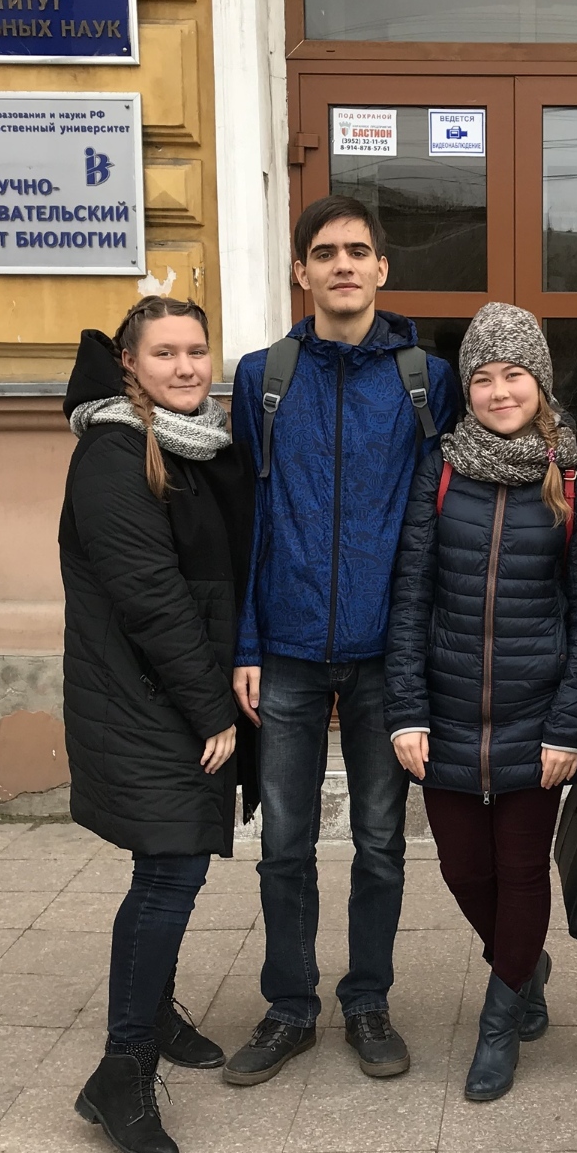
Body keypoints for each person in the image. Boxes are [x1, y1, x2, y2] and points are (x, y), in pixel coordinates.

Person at [223, 196, 461, 1085]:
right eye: (325, 253)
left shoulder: (425, 379)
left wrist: (422, 648)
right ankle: (290, 1007)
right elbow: (249, 518)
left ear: (383, 268)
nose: (343, 265)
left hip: (383, 653)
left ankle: (367, 1001)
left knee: (380, 841)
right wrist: (247, 643)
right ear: (302, 272)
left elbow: (436, 519)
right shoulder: (264, 377)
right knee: (283, 842)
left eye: (359, 251)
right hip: (285, 648)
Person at [385, 303, 577, 1102]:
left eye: (514, 374)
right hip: (443, 715)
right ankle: (523, 964)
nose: (499, 390)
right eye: (483, 377)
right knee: (462, 869)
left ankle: (499, 1016)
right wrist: (406, 710)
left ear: (539, 383)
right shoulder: (440, 471)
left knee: (519, 872)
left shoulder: (575, 481)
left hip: (535, 719)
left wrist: (568, 727)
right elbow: (409, 597)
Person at [60, 295, 259, 1153]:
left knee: (172, 866)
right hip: (145, 697)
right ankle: (122, 1070)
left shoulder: (194, 443)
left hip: (169, 691)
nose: (186, 367)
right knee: (169, 872)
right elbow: (151, 596)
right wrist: (212, 709)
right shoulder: (114, 453)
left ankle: (153, 1015)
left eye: (196, 351)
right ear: (128, 364)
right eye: (165, 353)